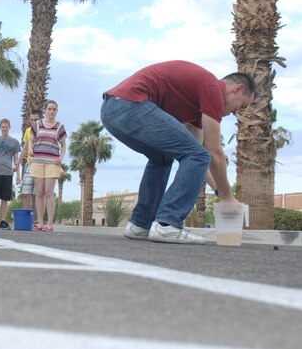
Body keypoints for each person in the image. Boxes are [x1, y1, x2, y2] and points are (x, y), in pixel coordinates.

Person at [100, 60, 255, 244]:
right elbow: (213, 152)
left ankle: (140, 225)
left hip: (111, 110)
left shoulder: (198, 109)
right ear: (237, 89)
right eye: (242, 105)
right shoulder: (213, 87)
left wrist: (220, 193)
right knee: (196, 155)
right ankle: (167, 224)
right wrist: (228, 196)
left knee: (163, 157)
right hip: (130, 104)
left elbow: (199, 162)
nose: (237, 113)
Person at [28, 101, 66, 232]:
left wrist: (61, 157)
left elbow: (63, 145)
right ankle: (40, 223)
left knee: (49, 192)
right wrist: (30, 149)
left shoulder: (60, 126)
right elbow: (31, 140)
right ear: (44, 110)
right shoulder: (37, 125)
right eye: (49, 109)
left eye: (54, 109)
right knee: (39, 192)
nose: (52, 111)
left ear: (57, 111)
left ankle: (49, 223)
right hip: (37, 160)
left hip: (52, 162)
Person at [18, 110, 43, 216]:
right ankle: (27, 219)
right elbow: (25, 148)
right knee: (26, 193)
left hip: (42, 164)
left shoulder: (45, 130)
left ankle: (38, 220)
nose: (33, 122)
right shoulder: (28, 131)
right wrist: (17, 162)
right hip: (30, 164)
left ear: (41, 119)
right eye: (31, 120)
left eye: (36, 120)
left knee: (39, 194)